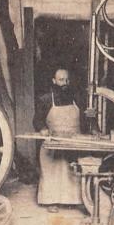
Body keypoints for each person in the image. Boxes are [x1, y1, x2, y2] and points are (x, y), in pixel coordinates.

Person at [33, 68, 86, 213]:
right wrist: (42, 128)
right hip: (53, 142)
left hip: (73, 143)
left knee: (71, 172)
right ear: (54, 81)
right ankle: (51, 201)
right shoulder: (45, 99)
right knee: (52, 172)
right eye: (61, 80)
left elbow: (85, 119)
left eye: (67, 80)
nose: (65, 83)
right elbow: (37, 120)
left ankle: (73, 201)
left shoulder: (76, 98)